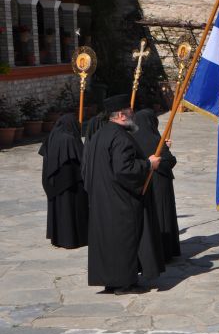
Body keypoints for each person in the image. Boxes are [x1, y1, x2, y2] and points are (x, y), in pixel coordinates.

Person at [81, 94, 162, 294]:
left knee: (108, 241)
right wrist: (148, 164)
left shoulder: (100, 134)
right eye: (130, 112)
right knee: (123, 240)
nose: (132, 116)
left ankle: (112, 281)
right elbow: (124, 169)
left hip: (101, 198)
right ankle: (124, 282)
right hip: (120, 200)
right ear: (121, 115)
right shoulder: (121, 138)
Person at [132, 109, 181, 261]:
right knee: (163, 214)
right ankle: (165, 250)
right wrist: (165, 149)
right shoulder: (155, 140)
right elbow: (170, 161)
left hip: (142, 184)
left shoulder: (131, 138)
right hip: (160, 184)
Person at [39, 113, 89, 249]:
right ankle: (73, 239)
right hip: (72, 183)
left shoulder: (50, 138)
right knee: (71, 212)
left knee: (59, 211)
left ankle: (58, 239)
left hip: (55, 184)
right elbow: (83, 160)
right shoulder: (70, 140)